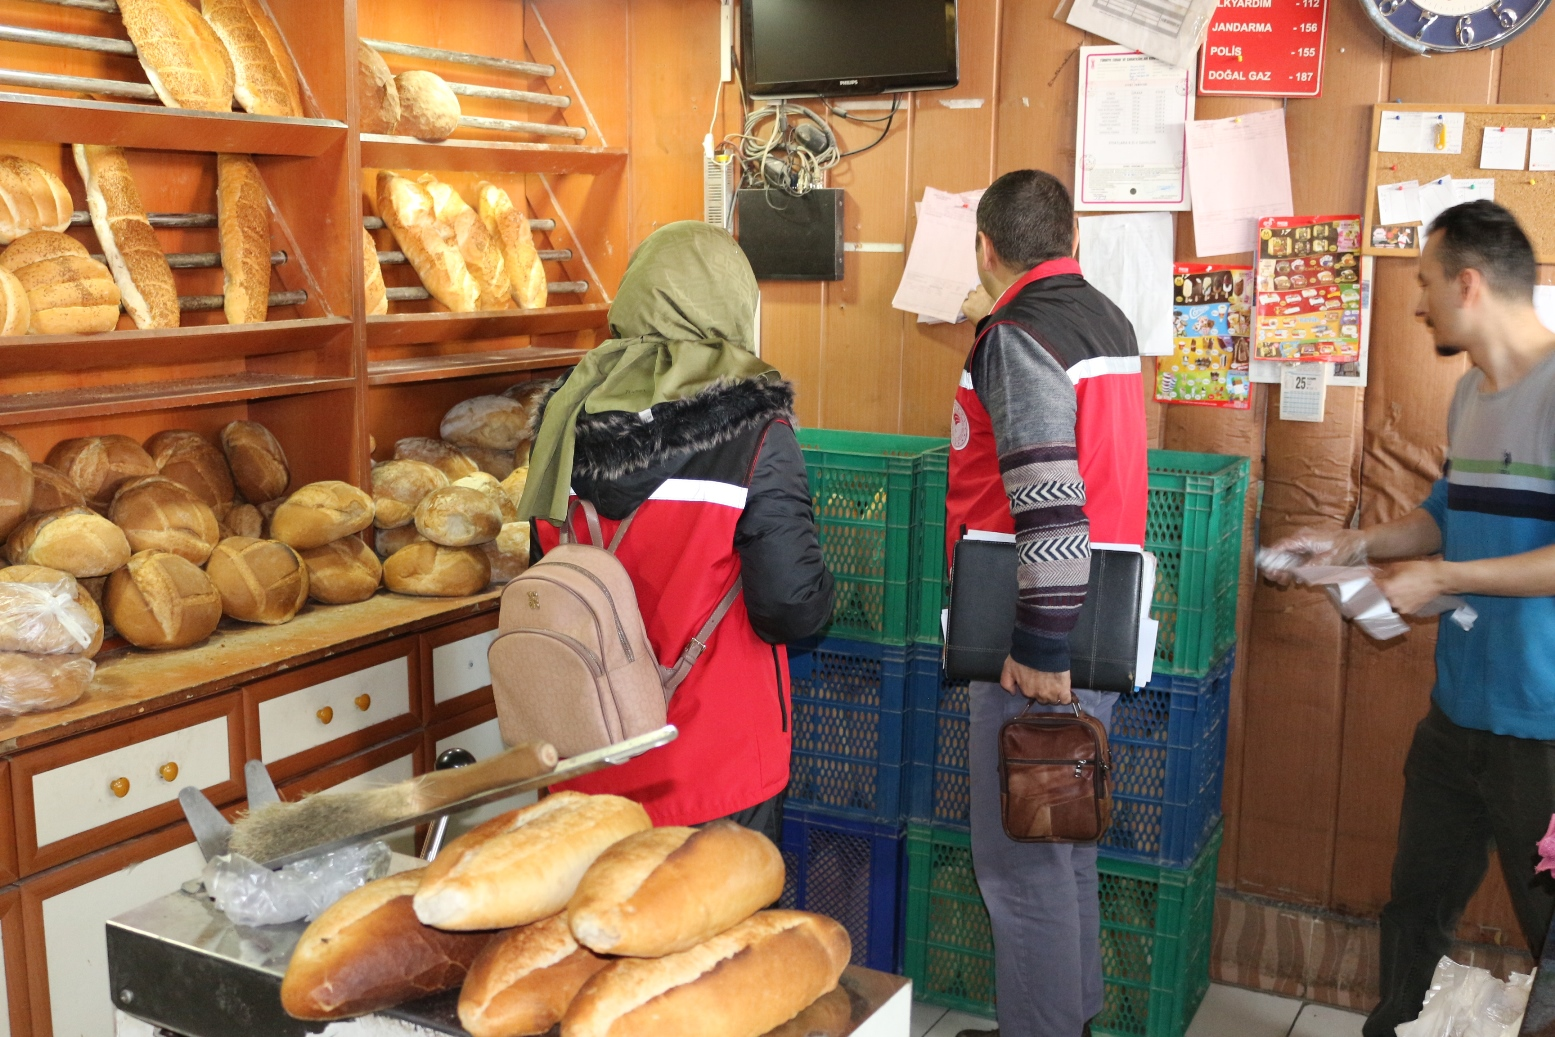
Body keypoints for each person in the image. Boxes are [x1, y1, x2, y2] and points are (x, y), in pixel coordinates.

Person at [1266, 200, 1555, 1037]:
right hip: (1453, 718)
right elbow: (1442, 512)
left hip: (1540, 733)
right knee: (1413, 908)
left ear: (1468, 284)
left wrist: (1446, 576)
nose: (1418, 303)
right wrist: (1355, 544)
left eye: (1425, 284)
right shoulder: (1469, 392)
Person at [517, 221, 834, 841]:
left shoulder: (564, 419)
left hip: (586, 762)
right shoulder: (752, 432)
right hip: (714, 771)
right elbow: (791, 611)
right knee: (721, 939)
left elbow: (543, 580)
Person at [948, 170, 1149, 1037]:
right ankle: (1065, 1019)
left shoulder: (1020, 333)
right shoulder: (1104, 319)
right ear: (1072, 240)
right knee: (1063, 848)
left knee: (1020, 867)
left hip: (1038, 637)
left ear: (985, 249)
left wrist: (1038, 646)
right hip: (1092, 624)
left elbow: (1050, 504)